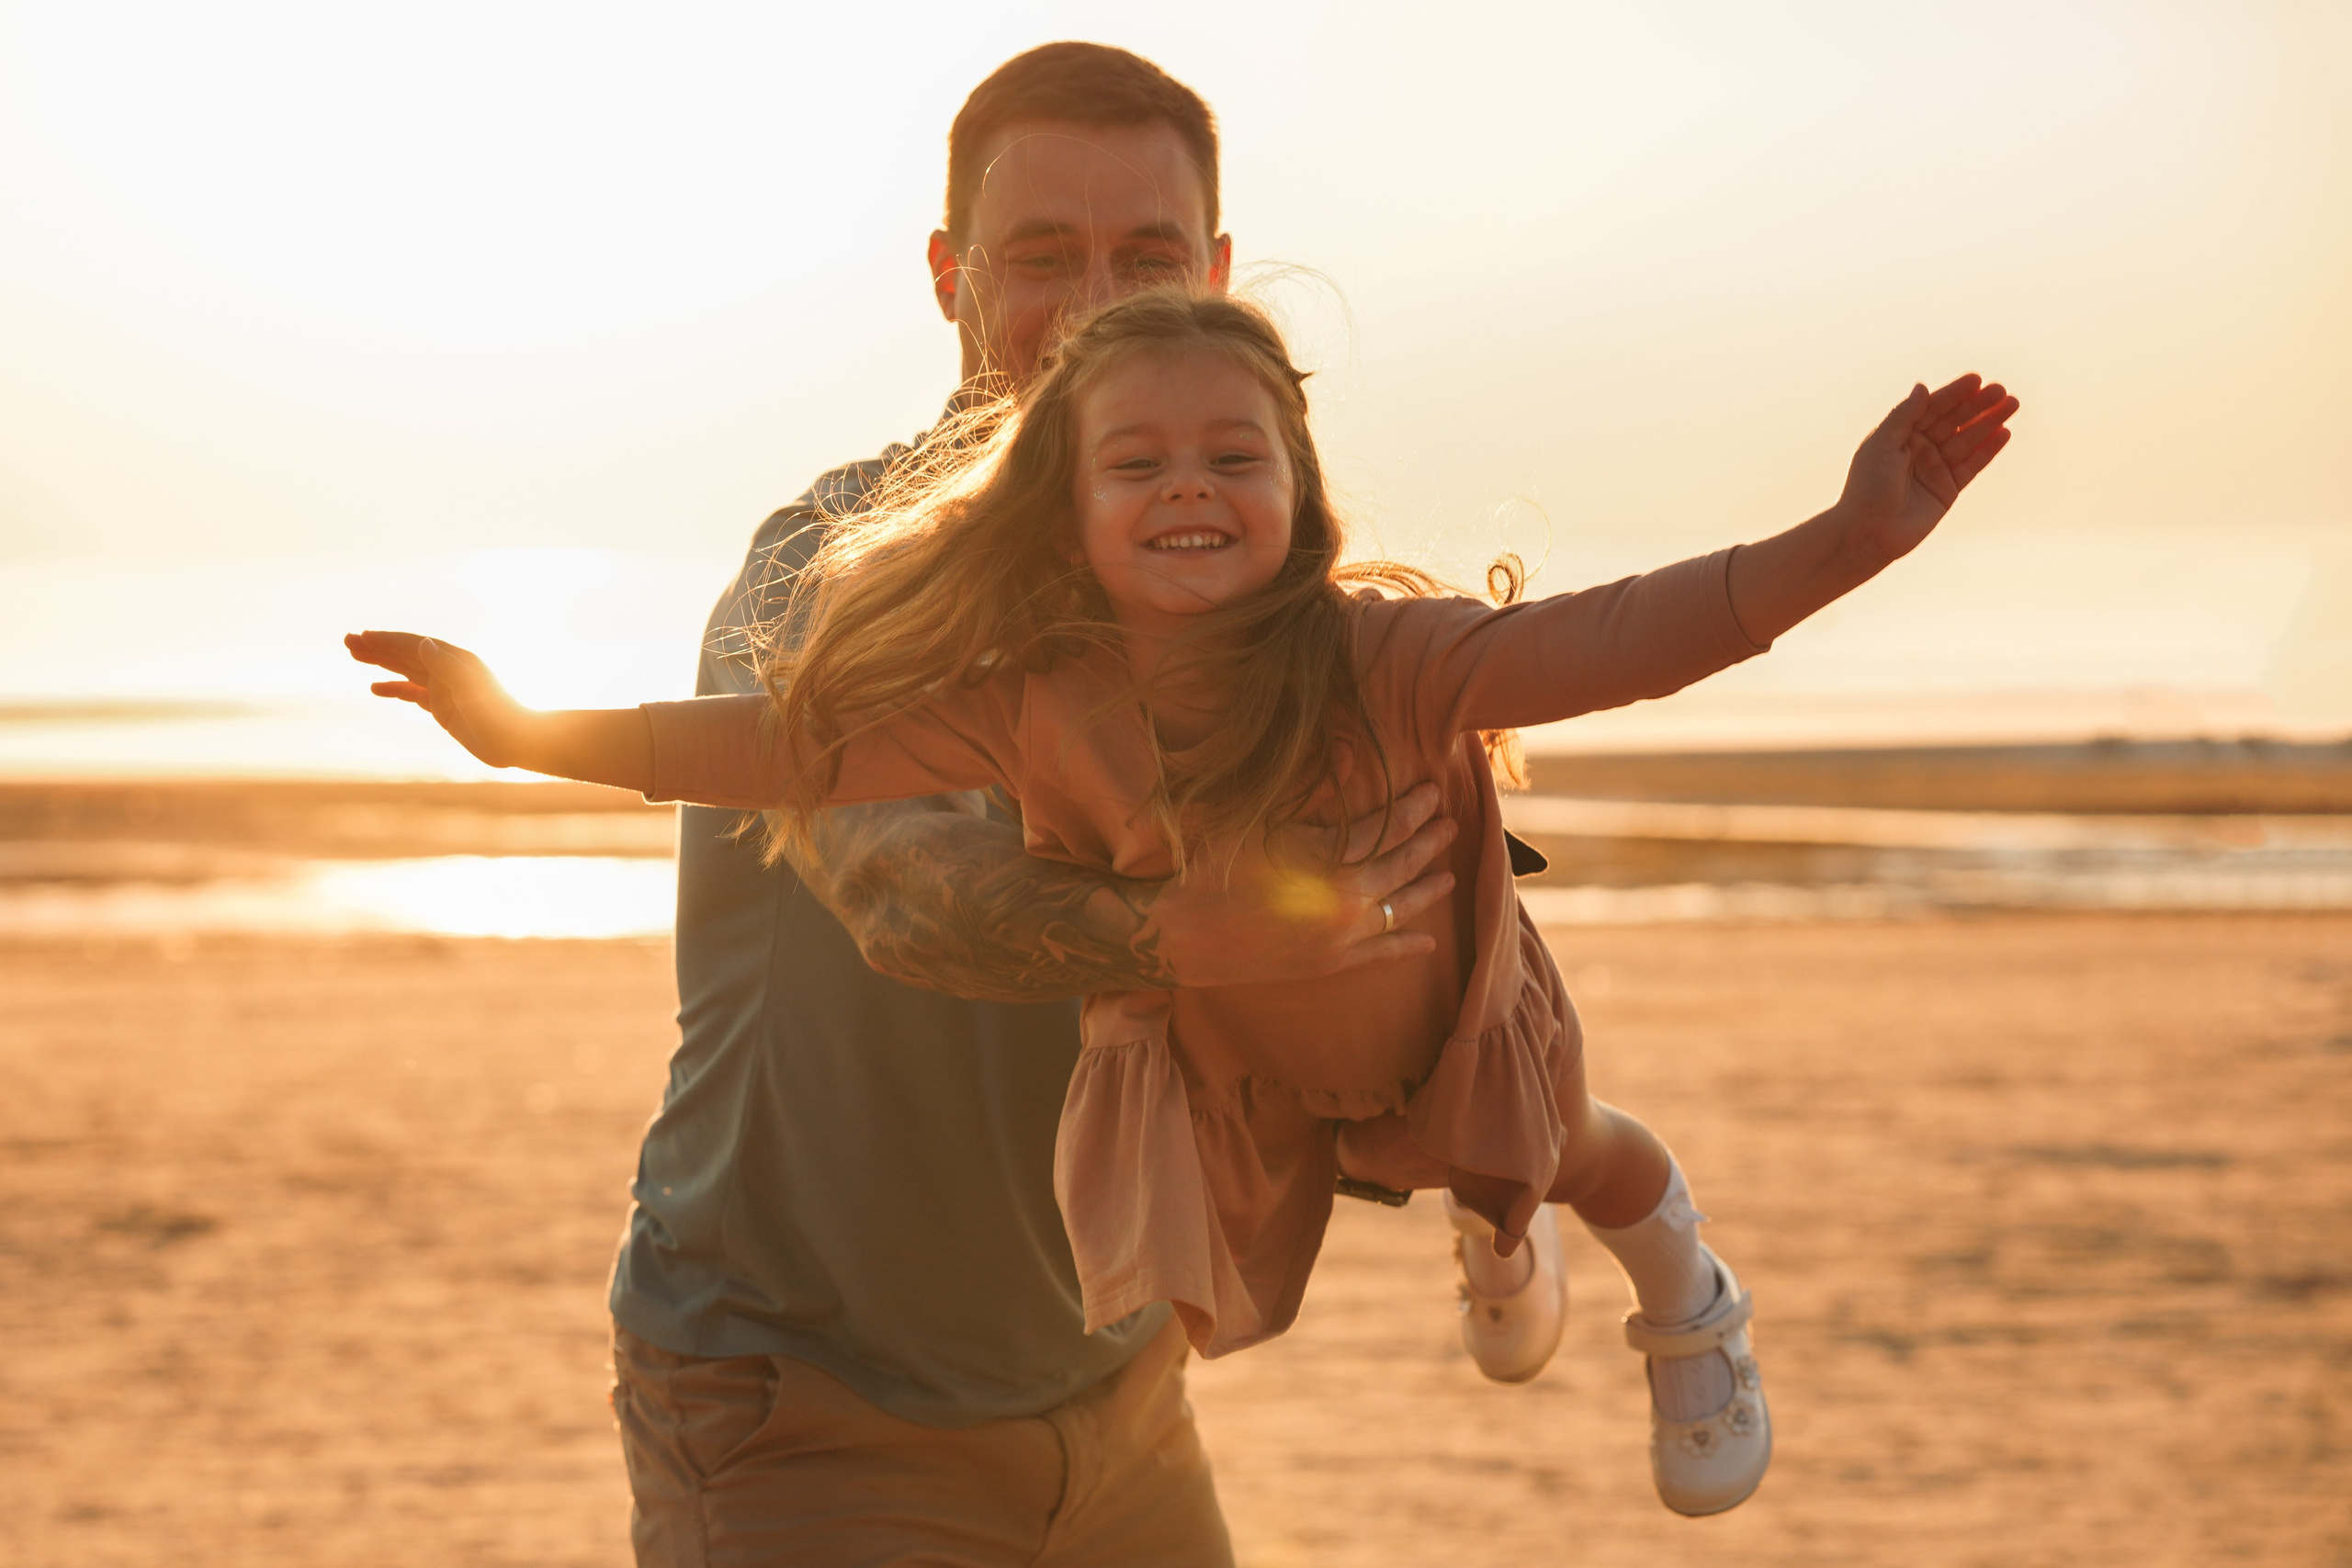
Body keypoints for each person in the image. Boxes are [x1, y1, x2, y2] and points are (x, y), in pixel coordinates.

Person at [346, 289, 2018, 1517]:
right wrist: (521, 735)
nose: (1187, 483)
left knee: (1556, 1155)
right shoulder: (1031, 696)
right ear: (1064, 517)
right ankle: (1465, 1256)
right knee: (1174, 1266)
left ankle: (1677, 1291)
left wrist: (1850, 538)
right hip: (1233, 1068)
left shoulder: (1383, 658)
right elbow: (792, 746)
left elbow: (1621, 638)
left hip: (1435, 1023)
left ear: (1297, 498)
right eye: (1133, 460)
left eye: (1234, 452)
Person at [479, 44, 1458, 1568]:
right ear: (949, 277)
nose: (1097, 304)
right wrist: (1189, 933)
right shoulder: (828, 573)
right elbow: (903, 885)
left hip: (1116, 1395)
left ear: (1212, 271)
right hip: (804, 1401)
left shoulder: (1237, 606)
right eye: (1040, 258)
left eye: (1144, 256)